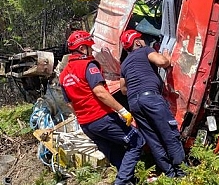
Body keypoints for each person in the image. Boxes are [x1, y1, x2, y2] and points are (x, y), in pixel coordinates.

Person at [59, 30, 145, 185]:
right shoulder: (88, 66)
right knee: (137, 141)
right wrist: (122, 110)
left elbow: (69, 103)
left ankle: (129, 181)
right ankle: (122, 182)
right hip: (102, 118)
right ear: (82, 49)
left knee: (114, 152)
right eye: (89, 47)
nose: (92, 51)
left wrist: (83, 115)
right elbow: (100, 92)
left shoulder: (64, 74)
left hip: (86, 125)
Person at [119, 29, 186, 178]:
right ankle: (182, 173)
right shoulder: (145, 50)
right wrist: (167, 58)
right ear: (137, 42)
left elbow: (123, 89)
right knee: (169, 134)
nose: (143, 41)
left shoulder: (124, 65)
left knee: (153, 139)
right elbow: (162, 62)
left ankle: (169, 174)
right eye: (141, 39)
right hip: (151, 98)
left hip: (134, 103)